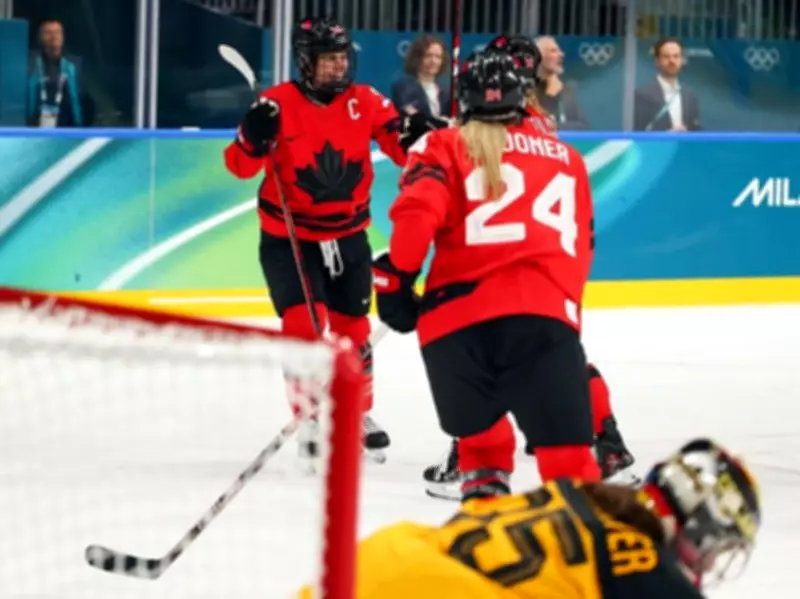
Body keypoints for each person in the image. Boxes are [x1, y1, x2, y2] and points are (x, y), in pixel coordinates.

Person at [372, 50, 601, 500]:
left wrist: (395, 282)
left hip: (452, 330)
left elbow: (416, 218)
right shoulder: (568, 158)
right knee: (569, 463)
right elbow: (582, 246)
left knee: (482, 446)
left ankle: (487, 544)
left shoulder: (442, 145)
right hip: (541, 319)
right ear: (524, 99)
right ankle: (583, 552)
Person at [420, 36, 637, 501]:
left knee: (497, 359)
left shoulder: (521, 127)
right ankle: (608, 446)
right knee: (561, 356)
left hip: (501, 265)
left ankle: (481, 453)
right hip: (547, 271)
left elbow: (470, 172)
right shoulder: (537, 122)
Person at [223, 17, 444, 463]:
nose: (337, 68)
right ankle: (306, 416)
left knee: (353, 331)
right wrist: (251, 136)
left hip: (348, 236)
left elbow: (401, 146)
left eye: (342, 59)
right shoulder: (276, 104)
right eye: (328, 60)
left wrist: (420, 135)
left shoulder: (365, 100)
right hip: (290, 238)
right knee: (305, 328)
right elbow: (240, 166)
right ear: (306, 62)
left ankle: (356, 412)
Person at [295, 438, 761, 598]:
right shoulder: (640, 563)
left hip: (363, 567)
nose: (706, 561)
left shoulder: (579, 496)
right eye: (714, 545)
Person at [634, 37, 701, 132]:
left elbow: (695, 130)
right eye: (666, 56)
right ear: (657, 61)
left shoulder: (690, 96)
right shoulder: (642, 96)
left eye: (676, 56)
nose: (672, 61)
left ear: (682, 60)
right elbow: (637, 134)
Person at [27, 19, 83, 128]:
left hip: (67, 129)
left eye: (57, 32)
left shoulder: (74, 65)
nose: (54, 37)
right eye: (48, 33)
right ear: (40, 38)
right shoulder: (31, 63)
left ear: (63, 37)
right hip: (34, 128)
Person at [534, 36, 589, 130]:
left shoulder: (566, 90)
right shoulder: (527, 90)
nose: (561, 54)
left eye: (559, 51)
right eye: (553, 51)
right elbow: (530, 124)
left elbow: (583, 126)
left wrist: (556, 126)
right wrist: (550, 94)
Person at [390, 34, 451, 118]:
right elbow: (414, 118)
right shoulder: (403, 87)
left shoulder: (446, 93)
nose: (433, 61)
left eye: (438, 57)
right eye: (428, 55)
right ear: (417, 58)